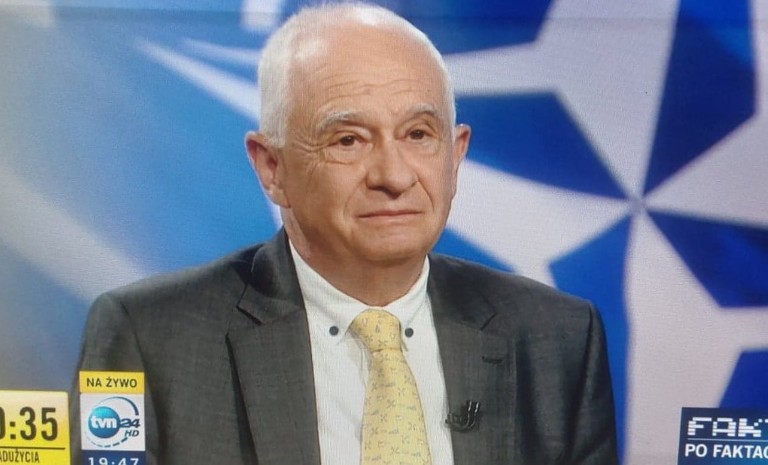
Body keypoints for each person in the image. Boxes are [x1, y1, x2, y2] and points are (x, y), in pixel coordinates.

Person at [72, 3, 618, 465]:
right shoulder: (150, 339)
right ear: (272, 168)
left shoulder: (558, 339)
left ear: (455, 157)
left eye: (418, 134)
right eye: (348, 140)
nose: (394, 176)